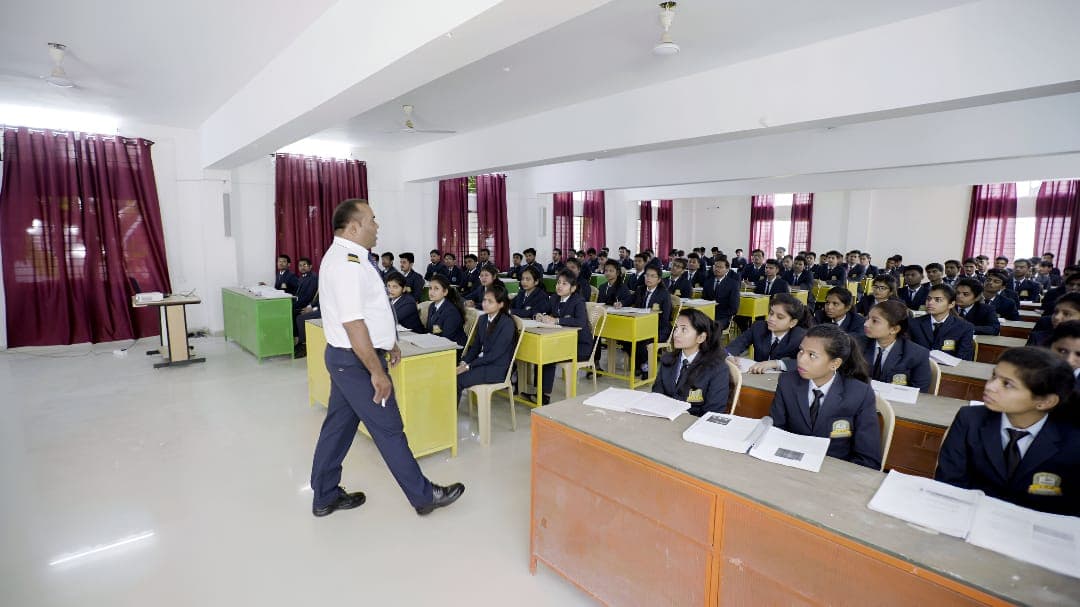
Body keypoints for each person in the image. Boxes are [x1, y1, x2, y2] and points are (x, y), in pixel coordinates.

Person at [309, 198, 463, 518]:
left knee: (337, 428)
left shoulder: (349, 257)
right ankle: (423, 496)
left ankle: (324, 495)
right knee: (389, 427)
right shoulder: (348, 263)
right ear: (354, 227)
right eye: (372, 220)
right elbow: (353, 323)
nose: (377, 226)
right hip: (356, 362)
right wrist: (376, 371)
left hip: (346, 359)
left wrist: (390, 342)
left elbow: (372, 311)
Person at [935, 347, 1080, 515]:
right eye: (994, 376)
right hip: (967, 517)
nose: (990, 386)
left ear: (1045, 401)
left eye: (1007, 384)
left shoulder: (1073, 440)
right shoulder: (970, 418)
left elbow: (1071, 508)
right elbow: (949, 483)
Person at [769, 324, 882, 470]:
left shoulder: (859, 393)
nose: (801, 359)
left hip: (834, 472)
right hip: (789, 464)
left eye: (812, 355)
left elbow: (868, 460)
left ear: (835, 363)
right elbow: (775, 431)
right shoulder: (787, 382)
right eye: (801, 351)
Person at [526, 269, 593, 404]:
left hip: (580, 345)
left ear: (573, 288)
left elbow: (580, 321)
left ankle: (544, 397)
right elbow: (545, 310)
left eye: (564, 284)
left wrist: (556, 320)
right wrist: (539, 315)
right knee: (541, 351)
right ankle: (538, 390)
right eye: (558, 282)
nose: (559, 286)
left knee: (550, 355)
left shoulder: (578, 300)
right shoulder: (555, 298)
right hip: (562, 341)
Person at [652, 309, 731, 417]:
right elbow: (656, 395)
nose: (676, 334)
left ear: (701, 337)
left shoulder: (717, 369)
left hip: (693, 427)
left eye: (684, 329)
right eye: (676, 328)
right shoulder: (668, 359)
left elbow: (713, 412)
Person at [858, 300, 932, 392]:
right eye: (867, 318)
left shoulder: (917, 354)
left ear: (894, 329)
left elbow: (920, 392)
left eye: (874, 321)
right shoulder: (855, 344)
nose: (866, 324)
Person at [726, 293, 811, 371]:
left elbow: (807, 363)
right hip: (757, 377)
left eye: (780, 317)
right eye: (771, 313)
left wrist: (775, 363)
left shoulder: (801, 337)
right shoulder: (759, 327)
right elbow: (736, 345)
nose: (771, 319)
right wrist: (729, 356)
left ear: (792, 322)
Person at [457, 283, 516, 393]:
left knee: (458, 380)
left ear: (501, 304)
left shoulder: (507, 323)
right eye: (484, 300)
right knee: (451, 375)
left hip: (496, 369)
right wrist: (464, 362)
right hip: (483, 363)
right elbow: (476, 346)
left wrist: (468, 367)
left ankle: (450, 411)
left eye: (490, 301)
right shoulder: (483, 319)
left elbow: (494, 355)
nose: (485, 304)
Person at [621, 265, 672, 379]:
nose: (648, 278)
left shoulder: (664, 294)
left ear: (659, 280)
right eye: (647, 275)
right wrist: (621, 304)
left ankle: (645, 368)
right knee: (625, 339)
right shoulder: (640, 289)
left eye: (652, 276)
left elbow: (665, 318)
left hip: (660, 328)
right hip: (641, 326)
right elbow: (629, 300)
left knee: (642, 342)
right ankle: (639, 364)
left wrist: (650, 326)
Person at [909, 284, 976, 361]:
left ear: (951, 304)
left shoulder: (965, 327)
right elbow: (908, 353)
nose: (930, 303)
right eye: (928, 299)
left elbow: (963, 359)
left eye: (938, 300)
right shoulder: (914, 323)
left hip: (950, 370)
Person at [425, 274, 468, 348]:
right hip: (436, 344)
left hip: (453, 348)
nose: (431, 292)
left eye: (436, 289)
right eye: (430, 288)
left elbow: (447, 339)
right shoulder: (432, 306)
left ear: (445, 292)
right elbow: (430, 330)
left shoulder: (451, 311)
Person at [701, 256, 741, 332]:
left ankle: (713, 344)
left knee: (713, 326)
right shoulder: (708, 282)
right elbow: (704, 301)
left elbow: (734, 308)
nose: (717, 269)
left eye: (720, 267)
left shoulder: (733, 284)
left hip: (723, 317)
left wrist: (717, 314)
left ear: (727, 270)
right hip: (707, 314)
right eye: (715, 266)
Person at [1049, 320, 1080, 393]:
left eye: (1079, 354)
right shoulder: (1030, 373)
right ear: (1051, 345)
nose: (1069, 360)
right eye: (1062, 351)